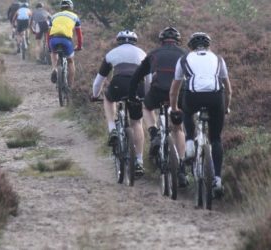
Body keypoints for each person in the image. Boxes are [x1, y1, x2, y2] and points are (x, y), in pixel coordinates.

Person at [169, 32, 232, 193]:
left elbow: (175, 89)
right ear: (208, 46)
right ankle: (217, 180)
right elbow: (228, 89)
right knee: (216, 139)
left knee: (187, 110)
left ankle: (189, 141)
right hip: (215, 98)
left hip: (193, 98)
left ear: (190, 46)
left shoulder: (184, 59)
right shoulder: (218, 59)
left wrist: (175, 107)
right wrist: (226, 107)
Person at [128, 27, 188, 186]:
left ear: (161, 41)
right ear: (178, 41)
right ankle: (181, 169)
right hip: (178, 94)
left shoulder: (153, 54)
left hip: (158, 91)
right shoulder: (184, 54)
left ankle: (154, 133)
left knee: (146, 107)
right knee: (178, 128)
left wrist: (132, 93)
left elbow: (137, 76)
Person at [91, 30, 151, 175]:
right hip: (137, 87)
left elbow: (99, 80)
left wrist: (94, 95)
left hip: (118, 84)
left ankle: (112, 129)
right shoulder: (142, 53)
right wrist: (147, 95)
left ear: (118, 41)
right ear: (135, 41)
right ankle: (139, 161)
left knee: (108, 98)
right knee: (137, 123)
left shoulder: (112, 53)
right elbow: (149, 79)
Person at [48, 0, 83, 88]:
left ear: (61, 7)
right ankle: (70, 87)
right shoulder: (75, 17)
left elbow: (48, 33)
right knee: (70, 61)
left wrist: (49, 45)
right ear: (71, 7)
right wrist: (79, 46)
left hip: (53, 39)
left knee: (53, 53)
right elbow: (79, 35)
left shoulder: (54, 16)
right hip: (66, 41)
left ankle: (55, 69)